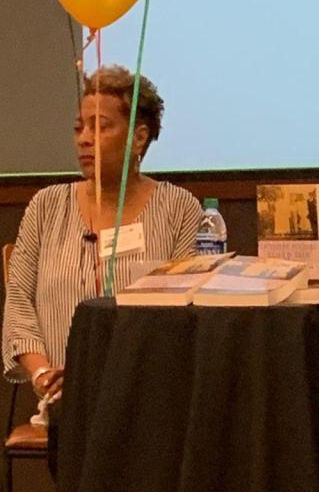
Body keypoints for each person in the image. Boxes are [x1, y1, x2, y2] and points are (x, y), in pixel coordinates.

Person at [2, 65, 202, 416]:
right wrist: (43, 374)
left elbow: (186, 318)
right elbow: (19, 305)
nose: (84, 139)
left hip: (149, 401)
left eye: (100, 126)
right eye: (79, 128)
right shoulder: (46, 206)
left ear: (138, 138)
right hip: (63, 404)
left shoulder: (179, 208)